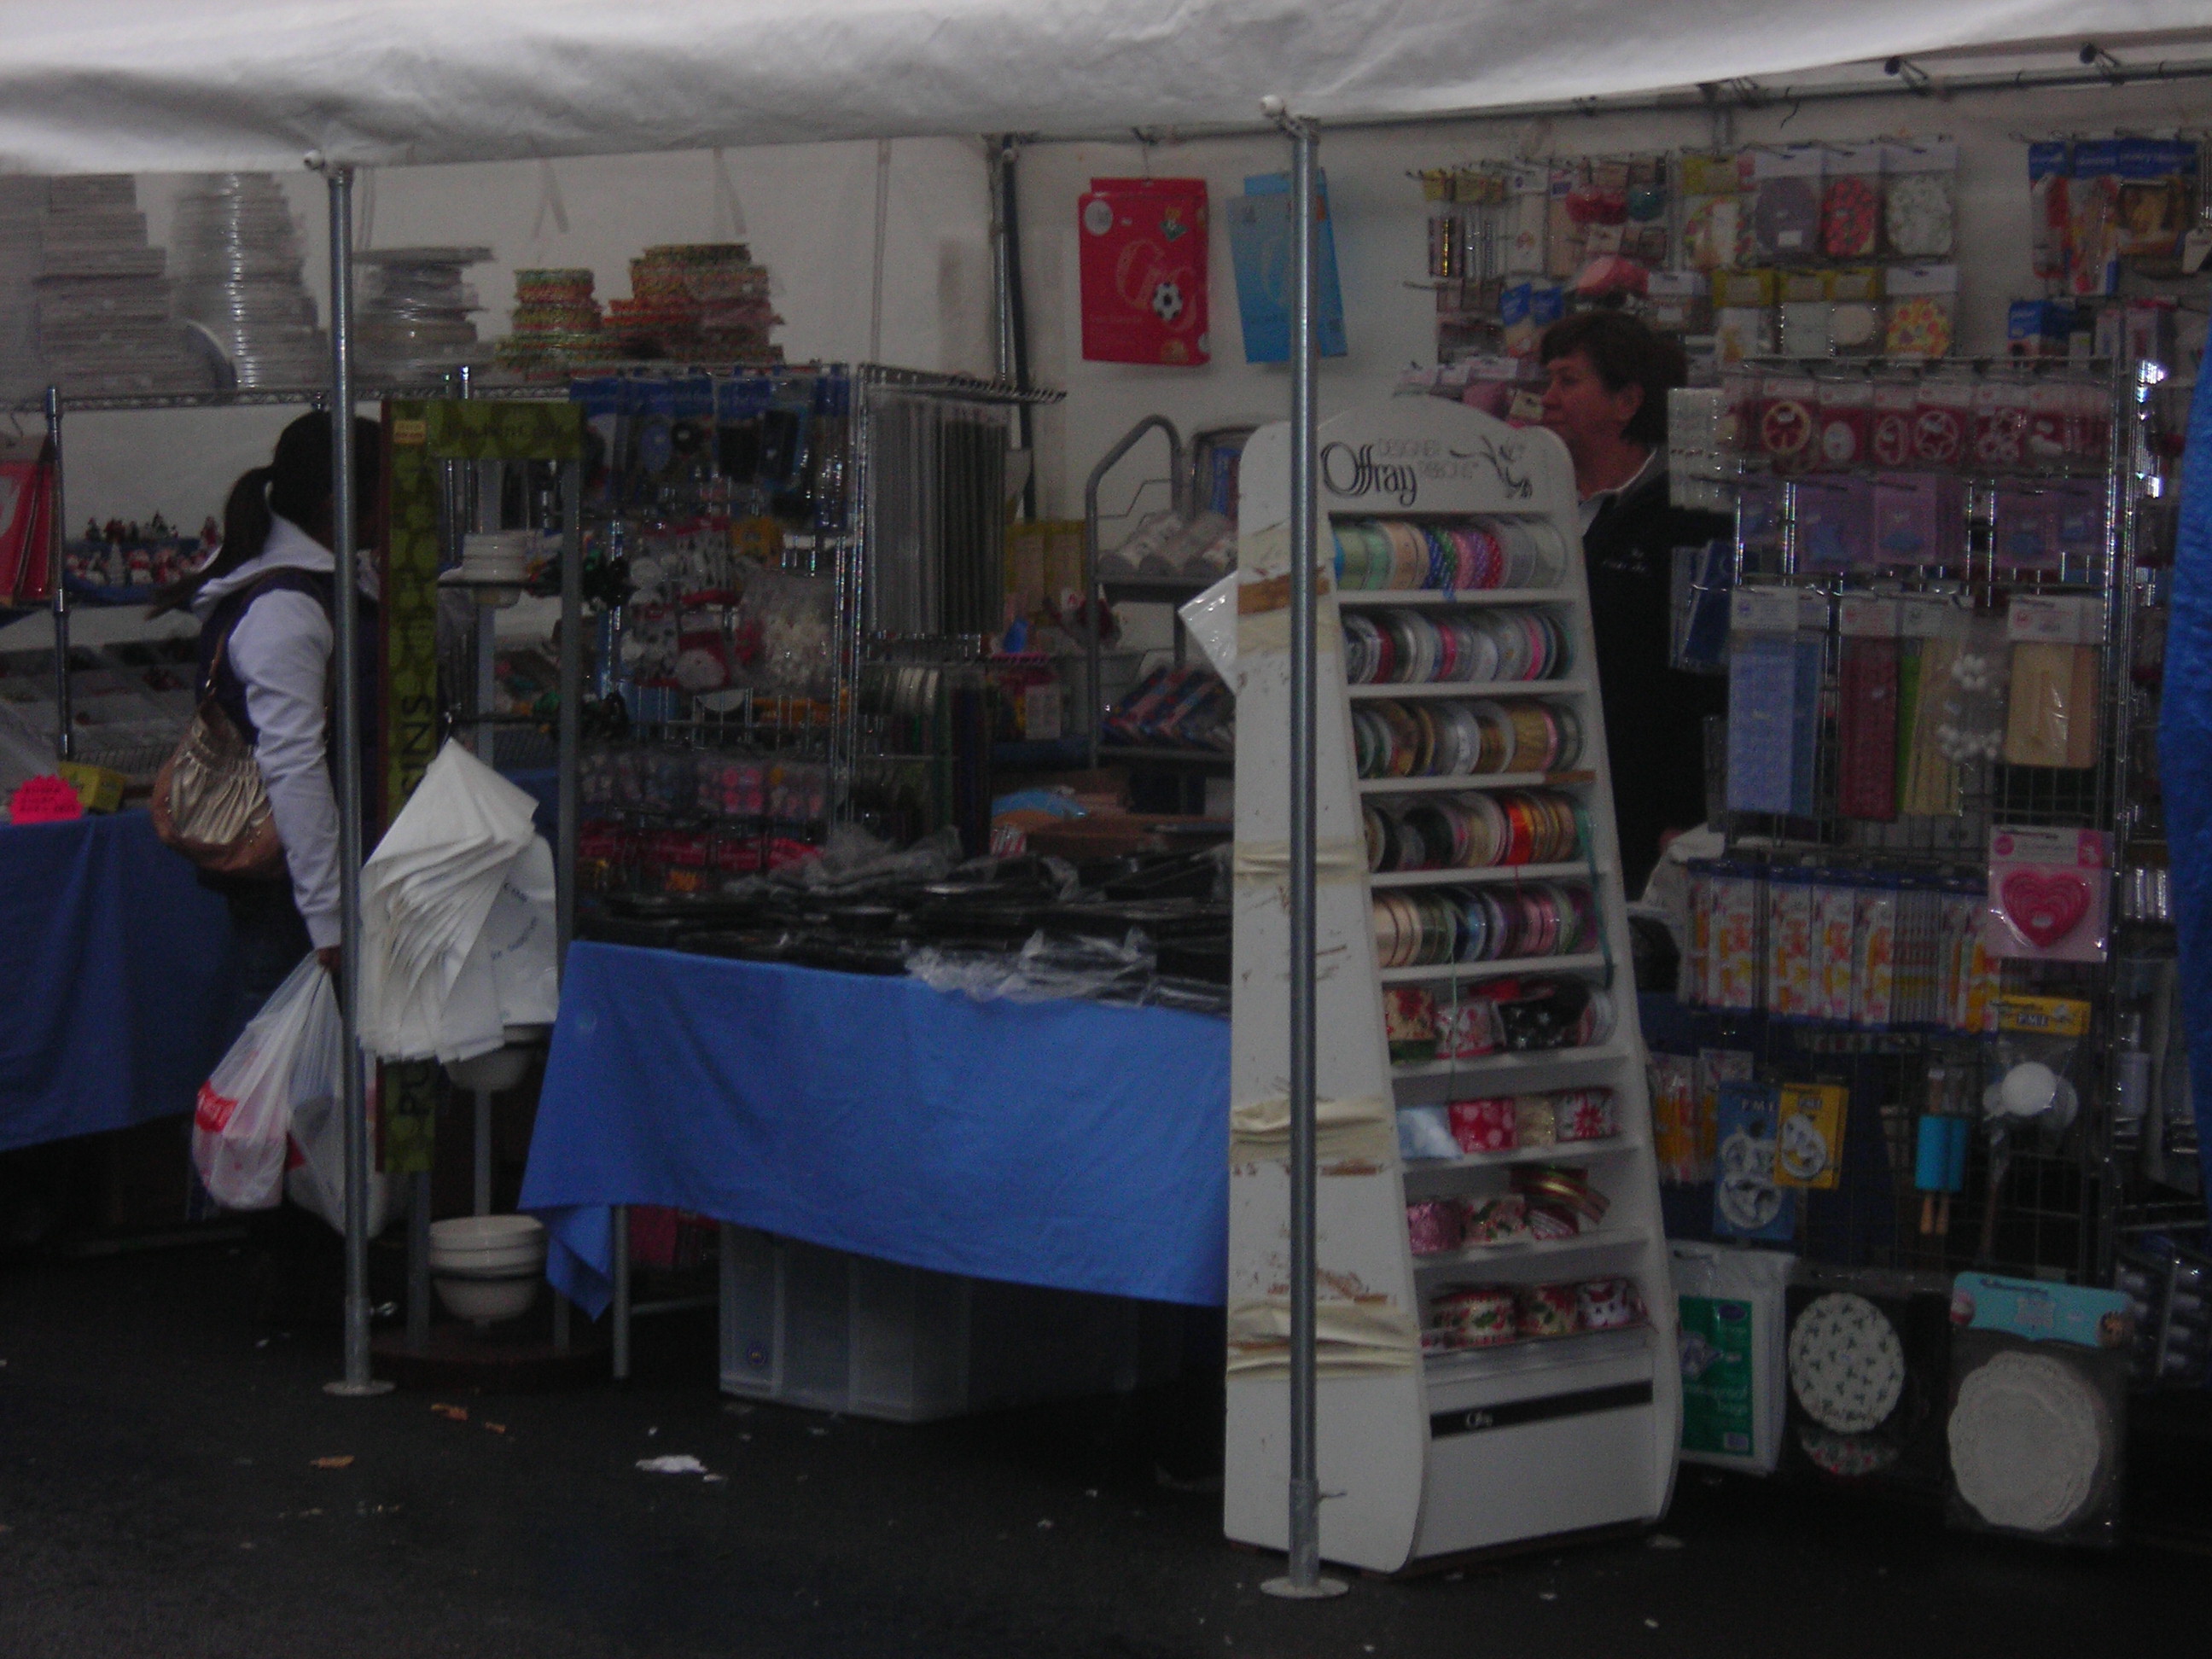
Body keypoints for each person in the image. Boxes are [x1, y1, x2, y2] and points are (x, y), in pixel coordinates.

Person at [152, 412, 383, 1032]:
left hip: (314, 876)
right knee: (294, 1060)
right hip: (298, 891)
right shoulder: (286, 607)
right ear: (338, 501)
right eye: (388, 489)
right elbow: (294, 765)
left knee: (305, 1055)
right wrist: (328, 914)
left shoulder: (319, 582)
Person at [1538, 311, 1729, 897]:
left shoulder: (1688, 521)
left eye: (1569, 381)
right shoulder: (1536, 506)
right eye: (1548, 380)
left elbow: (1705, 679)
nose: (1548, 398)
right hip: (1547, 789)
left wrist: (1686, 811)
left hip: (1641, 811)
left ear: (1627, 401)